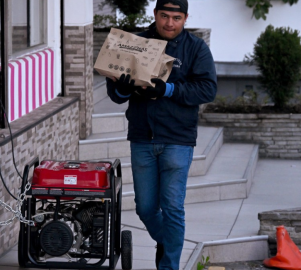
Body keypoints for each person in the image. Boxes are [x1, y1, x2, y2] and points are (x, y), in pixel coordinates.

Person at [106, 0, 217, 269]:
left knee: (173, 208)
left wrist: (167, 90)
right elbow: (115, 96)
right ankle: (168, 241)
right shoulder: (134, 43)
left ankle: (169, 266)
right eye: (164, 15)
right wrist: (123, 86)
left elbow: (207, 90)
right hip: (143, 137)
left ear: (185, 18)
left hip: (178, 140)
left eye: (176, 17)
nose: (170, 23)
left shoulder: (196, 48)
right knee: (145, 208)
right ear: (155, 14)